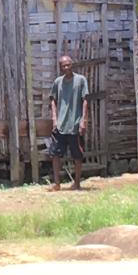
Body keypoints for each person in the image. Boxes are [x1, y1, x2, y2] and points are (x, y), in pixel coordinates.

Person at [48, 55, 89, 191]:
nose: (66, 68)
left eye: (68, 65)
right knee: (55, 154)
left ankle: (77, 183)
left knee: (77, 155)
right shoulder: (58, 82)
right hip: (60, 125)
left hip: (75, 124)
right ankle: (57, 184)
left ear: (72, 65)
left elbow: (85, 100)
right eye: (63, 66)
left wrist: (83, 120)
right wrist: (54, 118)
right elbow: (53, 100)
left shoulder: (81, 80)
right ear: (60, 68)